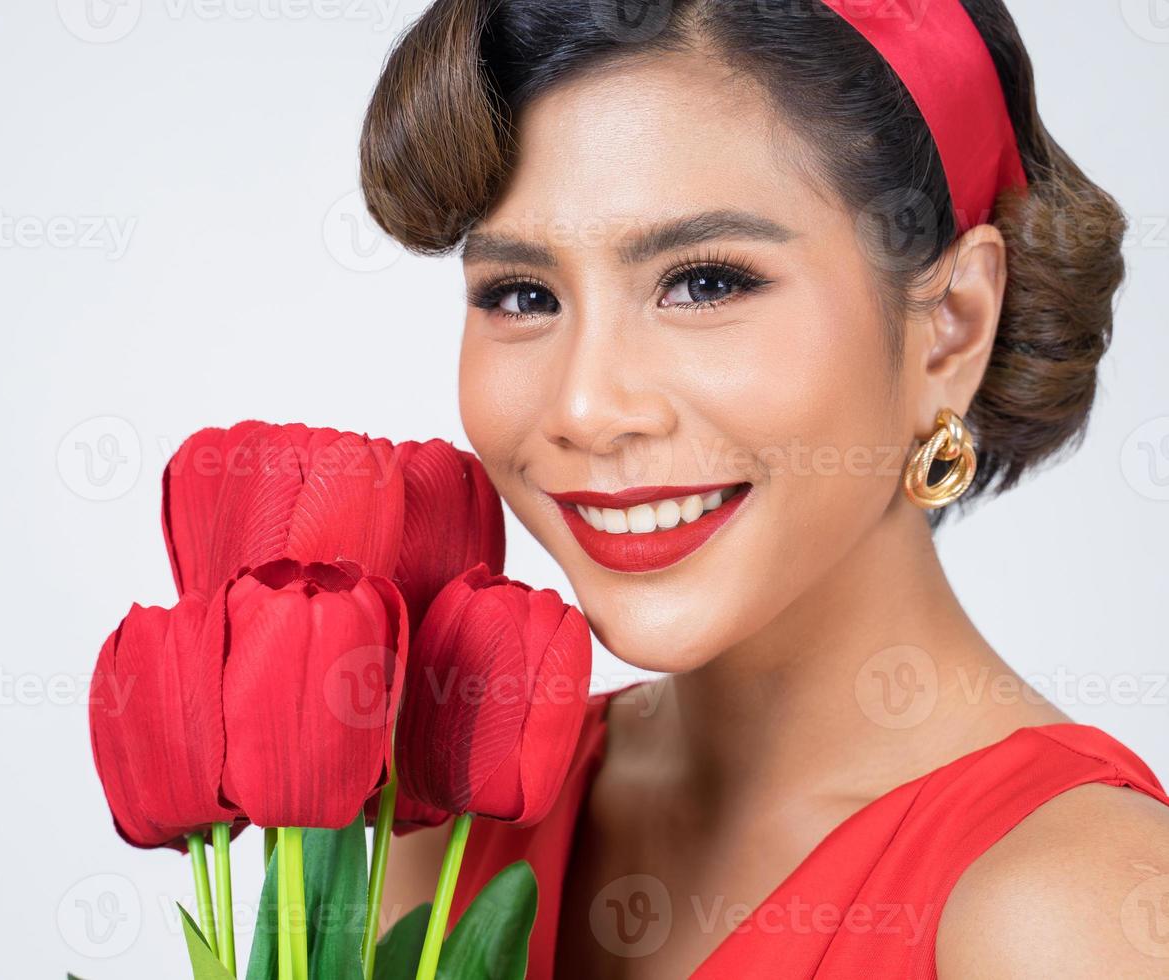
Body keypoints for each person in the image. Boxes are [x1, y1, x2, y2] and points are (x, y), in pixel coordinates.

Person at [359, 0, 1169, 975]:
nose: (585, 405)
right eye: (522, 295)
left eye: (705, 282)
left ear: (950, 324)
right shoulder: (447, 824)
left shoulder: (1068, 908)